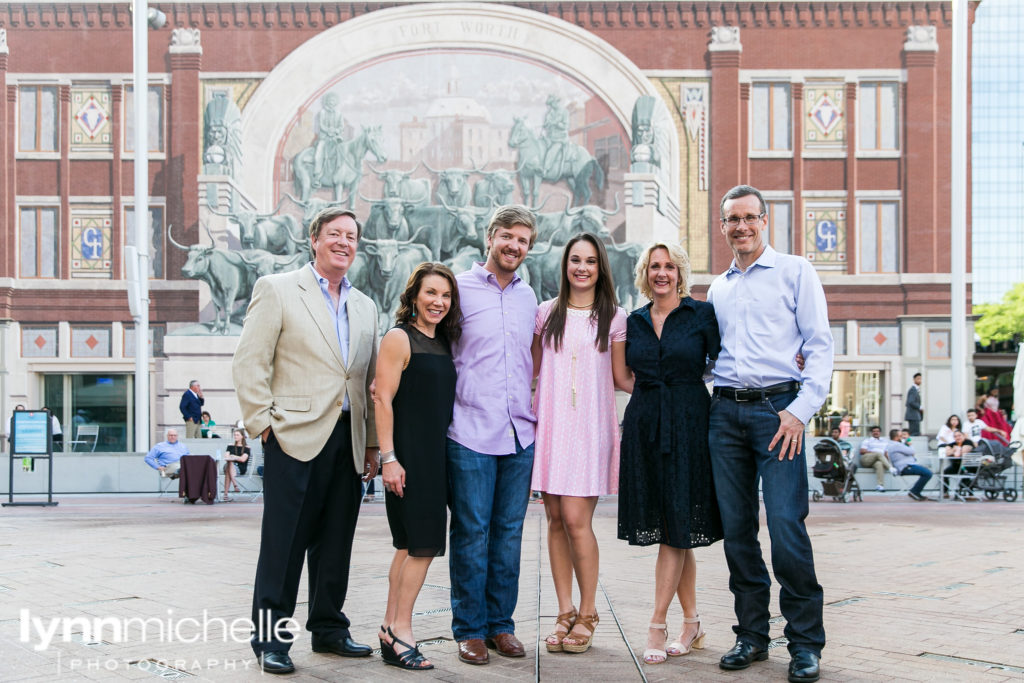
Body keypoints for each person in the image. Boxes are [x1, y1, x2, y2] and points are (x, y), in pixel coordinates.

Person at [232, 206, 380, 675]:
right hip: (292, 437)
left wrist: (372, 443)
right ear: (314, 239)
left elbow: (367, 380)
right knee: (284, 542)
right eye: (334, 233)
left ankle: (329, 629)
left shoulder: (365, 306)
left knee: (336, 540)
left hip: (348, 439)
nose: (344, 241)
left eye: (351, 235)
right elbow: (249, 362)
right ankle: (271, 640)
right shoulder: (277, 289)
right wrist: (264, 426)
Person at [707, 185, 833, 683]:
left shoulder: (796, 271)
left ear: (765, 221)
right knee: (737, 532)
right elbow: (712, 358)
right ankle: (752, 636)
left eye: (749, 217)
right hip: (725, 415)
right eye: (731, 220)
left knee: (785, 525)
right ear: (723, 227)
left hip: (780, 414)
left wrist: (800, 411)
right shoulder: (717, 287)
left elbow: (819, 345)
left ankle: (804, 643)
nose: (741, 226)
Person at [618, 242, 722, 664]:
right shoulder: (634, 321)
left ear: (681, 272)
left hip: (690, 425)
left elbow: (726, 361)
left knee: (676, 525)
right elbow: (623, 377)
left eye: (670, 266)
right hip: (645, 426)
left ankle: (657, 623)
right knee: (673, 528)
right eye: (654, 266)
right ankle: (693, 622)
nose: (662, 273)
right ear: (646, 273)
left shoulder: (702, 314)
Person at [532, 233, 632, 655]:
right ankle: (564, 610)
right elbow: (531, 371)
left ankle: (589, 612)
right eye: (576, 260)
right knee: (553, 519)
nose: (582, 268)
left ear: (600, 267)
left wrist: (676, 388)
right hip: (551, 426)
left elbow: (622, 377)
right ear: (565, 265)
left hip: (590, 428)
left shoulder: (614, 316)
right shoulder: (545, 313)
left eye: (591, 261)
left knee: (576, 519)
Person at [446, 205, 537, 666]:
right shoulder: (457, 290)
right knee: (470, 533)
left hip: (520, 433)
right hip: (468, 432)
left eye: (522, 240)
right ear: (490, 238)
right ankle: (470, 629)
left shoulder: (529, 298)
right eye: (507, 236)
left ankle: (502, 624)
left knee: (509, 533)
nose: (513, 246)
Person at [374, 263, 461, 671]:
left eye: (445, 296)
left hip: (435, 455)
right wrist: (389, 459)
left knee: (408, 545)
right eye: (431, 293)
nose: (438, 302)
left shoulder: (442, 341)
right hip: (408, 458)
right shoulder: (398, 338)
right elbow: (382, 399)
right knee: (424, 546)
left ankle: (390, 629)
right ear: (413, 295)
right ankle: (404, 632)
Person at [887, 429, 933, 501]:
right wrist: (909, 444)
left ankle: (916, 491)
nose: (902, 437)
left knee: (926, 472)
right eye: (901, 436)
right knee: (928, 473)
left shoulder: (893, 444)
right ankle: (914, 491)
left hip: (907, 466)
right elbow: (912, 451)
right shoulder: (896, 445)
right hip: (905, 467)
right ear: (896, 437)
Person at [312, 92, 345, 188]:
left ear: (336, 102)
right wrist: (328, 131)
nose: (331, 102)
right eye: (330, 100)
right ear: (326, 101)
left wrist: (335, 131)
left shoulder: (339, 114)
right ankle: (317, 177)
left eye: (333, 100)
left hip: (336, 138)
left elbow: (341, 126)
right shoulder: (322, 112)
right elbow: (321, 125)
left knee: (344, 153)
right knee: (319, 155)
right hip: (324, 138)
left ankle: (342, 175)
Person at [858, 426, 893, 493]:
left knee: (879, 464)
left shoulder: (884, 441)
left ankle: (880, 485)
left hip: (877, 461)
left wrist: (887, 461)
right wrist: (873, 453)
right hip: (866, 459)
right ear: (871, 433)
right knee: (878, 454)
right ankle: (890, 468)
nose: (875, 433)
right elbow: (862, 451)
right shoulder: (867, 440)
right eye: (874, 431)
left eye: (877, 431)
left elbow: (886, 453)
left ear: (880, 432)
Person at [941, 430, 975, 497]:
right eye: (955, 436)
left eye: (959, 435)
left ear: (963, 436)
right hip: (956, 466)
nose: (957, 437)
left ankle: (970, 493)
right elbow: (947, 452)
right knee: (944, 472)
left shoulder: (968, 442)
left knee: (966, 473)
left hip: (968, 466)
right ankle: (945, 492)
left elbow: (964, 451)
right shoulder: (952, 444)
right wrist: (954, 450)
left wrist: (955, 450)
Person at [222, 428, 250, 502]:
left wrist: (233, 457)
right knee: (229, 463)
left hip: (240, 468)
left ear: (242, 436)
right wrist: (236, 458)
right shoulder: (230, 445)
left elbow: (243, 459)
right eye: (234, 435)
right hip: (229, 466)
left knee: (229, 466)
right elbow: (226, 457)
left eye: (237, 435)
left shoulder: (247, 447)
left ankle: (225, 495)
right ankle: (235, 485)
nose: (235, 436)